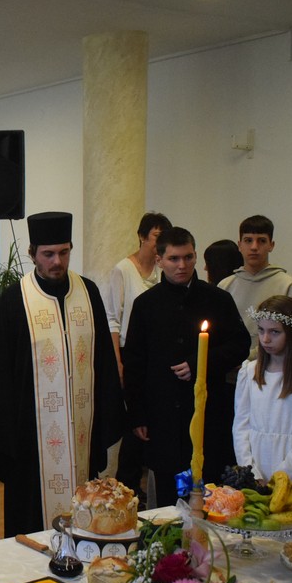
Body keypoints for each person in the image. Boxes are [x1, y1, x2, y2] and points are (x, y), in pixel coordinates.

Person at [0, 211, 125, 536]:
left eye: (63, 252)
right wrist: (5, 444)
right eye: (48, 254)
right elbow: (0, 376)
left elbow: (103, 362)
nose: (57, 261)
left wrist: (106, 423)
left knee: (83, 522)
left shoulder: (88, 293)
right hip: (30, 444)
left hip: (81, 436)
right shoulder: (15, 300)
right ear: (33, 254)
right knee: (31, 525)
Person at [124, 227, 250, 506]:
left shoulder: (217, 299)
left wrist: (201, 364)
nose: (182, 265)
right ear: (159, 260)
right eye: (174, 259)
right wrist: (137, 414)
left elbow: (240, 344)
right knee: (169, 498)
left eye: (188, 257)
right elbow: (134, 361)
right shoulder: (146, 304)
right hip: (163, 416)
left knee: (209, 494)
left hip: (208, 415)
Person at [232, 297, 292, 496]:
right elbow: (240, 427)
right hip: (256, 468)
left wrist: (283, 476)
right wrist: (251, 473)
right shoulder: (249, 372)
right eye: (261, 330)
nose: (265, 339)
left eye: (274, 332)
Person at [104, 212, 170, 497]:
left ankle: (151, 489)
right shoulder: (123, 269)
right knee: (134, 423)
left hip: (158, 354)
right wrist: (117, 361)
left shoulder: (163, 270)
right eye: (156, 236)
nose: (159, 243)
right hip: (130, 352)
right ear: (142, 237)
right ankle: (127, 486)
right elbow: (112, 319)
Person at [218, 215, 292, 360]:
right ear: (240, 245)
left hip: (275, 366)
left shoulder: (288, 285)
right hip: (232, 366)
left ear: (271, 245)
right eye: (248, 240)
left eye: (261, 241)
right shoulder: (225, 286)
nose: (254, 247)